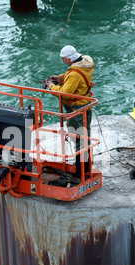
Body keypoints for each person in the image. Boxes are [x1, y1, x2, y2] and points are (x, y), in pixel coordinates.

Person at [46, 45, 95, 177]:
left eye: (64, 59)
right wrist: (61, 78)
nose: (63, 61)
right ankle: (87, 165)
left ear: (69, 58)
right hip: (85, 106)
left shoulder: (74, 73)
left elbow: (65, 93)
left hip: (75, 111)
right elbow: (76, 78)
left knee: (78, 138)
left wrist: (51, 87)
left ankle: (81, 171)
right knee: (85, 136)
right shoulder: (85, 65)